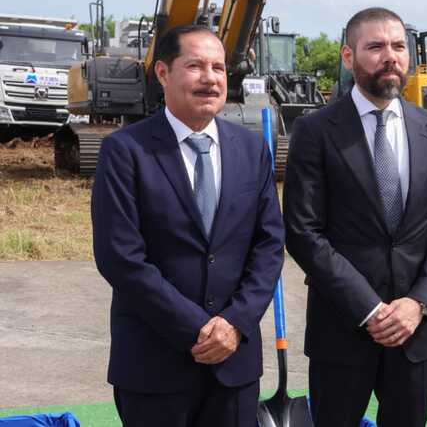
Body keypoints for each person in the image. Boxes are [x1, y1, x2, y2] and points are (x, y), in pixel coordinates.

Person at [92, 25, 284, 427]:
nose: (210, 78)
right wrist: (198, 329)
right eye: (195, 66)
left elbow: (268, 247)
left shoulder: (251, 149)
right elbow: (121, 257)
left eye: (218, 67)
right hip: (154, 363)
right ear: (163, 73)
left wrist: (234, 324)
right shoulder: (126, 151)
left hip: (235, 365)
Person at [283, 7, 427, 427]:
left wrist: (417, 304)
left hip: (414, 332)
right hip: (343, 330)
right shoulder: (315, 131)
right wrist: (369, 309)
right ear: (348, 57)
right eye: (376, 46)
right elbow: (304, 232)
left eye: (399, 46)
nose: (391, 56)